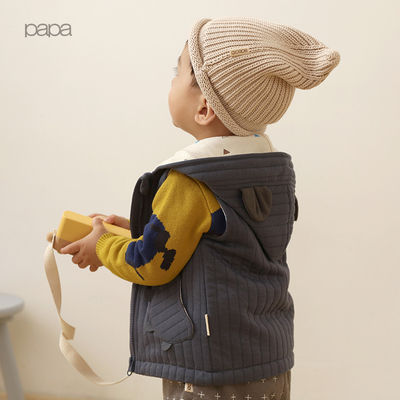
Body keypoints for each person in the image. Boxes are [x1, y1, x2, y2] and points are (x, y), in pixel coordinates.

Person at [61, 17, 340, 400]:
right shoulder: (270, 171)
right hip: (268, 358)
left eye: (176, 72)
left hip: (209, 368)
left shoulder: (190, 181)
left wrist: (103, 245)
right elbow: (219, 240)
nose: (171, 82)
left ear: (205, 108)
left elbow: (149, 263)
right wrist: (136, 228)